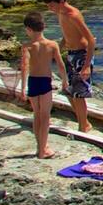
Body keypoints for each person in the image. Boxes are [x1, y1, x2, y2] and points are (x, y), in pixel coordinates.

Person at [43, 0, 95, 132]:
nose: (49, 8)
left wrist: (86, 67)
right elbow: (67, 35)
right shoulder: (60, 13)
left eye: (51, 5)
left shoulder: (73, 15)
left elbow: (91, 40)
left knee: (78, 94)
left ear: (61, 2)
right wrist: (57, 50)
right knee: (69, 91)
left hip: (81, 56)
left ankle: (83, 125)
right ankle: (83, 121)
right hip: (71, 53)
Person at [17, 12, 65, 159]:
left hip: (33, 82)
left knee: (37, 115)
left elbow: (24, 67)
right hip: (45, 82)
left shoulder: (27, 47)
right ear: (43, 27)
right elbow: (60, 65)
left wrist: (23, 87)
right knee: (45, 117)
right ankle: (43, 149)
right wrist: (65, 80)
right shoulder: (52, 45)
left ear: (29, 29)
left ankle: (40, 147)